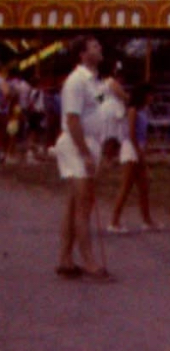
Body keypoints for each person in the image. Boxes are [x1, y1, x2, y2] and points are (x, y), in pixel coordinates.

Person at [54, 36, 111, 279]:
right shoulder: (76, 81)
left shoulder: (93, 81)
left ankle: (65, 260)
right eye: (95, 46)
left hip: (89, 143)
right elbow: (72, 119)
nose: (100, 49)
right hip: (78, 144)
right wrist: (85, 154)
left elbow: (96, 105)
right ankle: (88, 261)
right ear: (82, 53)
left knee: (73, 204)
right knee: (84, 205)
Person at [109, 82, 158, 232]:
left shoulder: (144, 111)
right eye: (150, 94)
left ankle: (147, 220)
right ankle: (114, 221)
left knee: (144, 187)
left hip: (139, 147)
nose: (152, 97)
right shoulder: (133, 110)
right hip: (131, 148)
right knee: (126, 186)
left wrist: (144, 149)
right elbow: (131, 132)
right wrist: (138, 151)